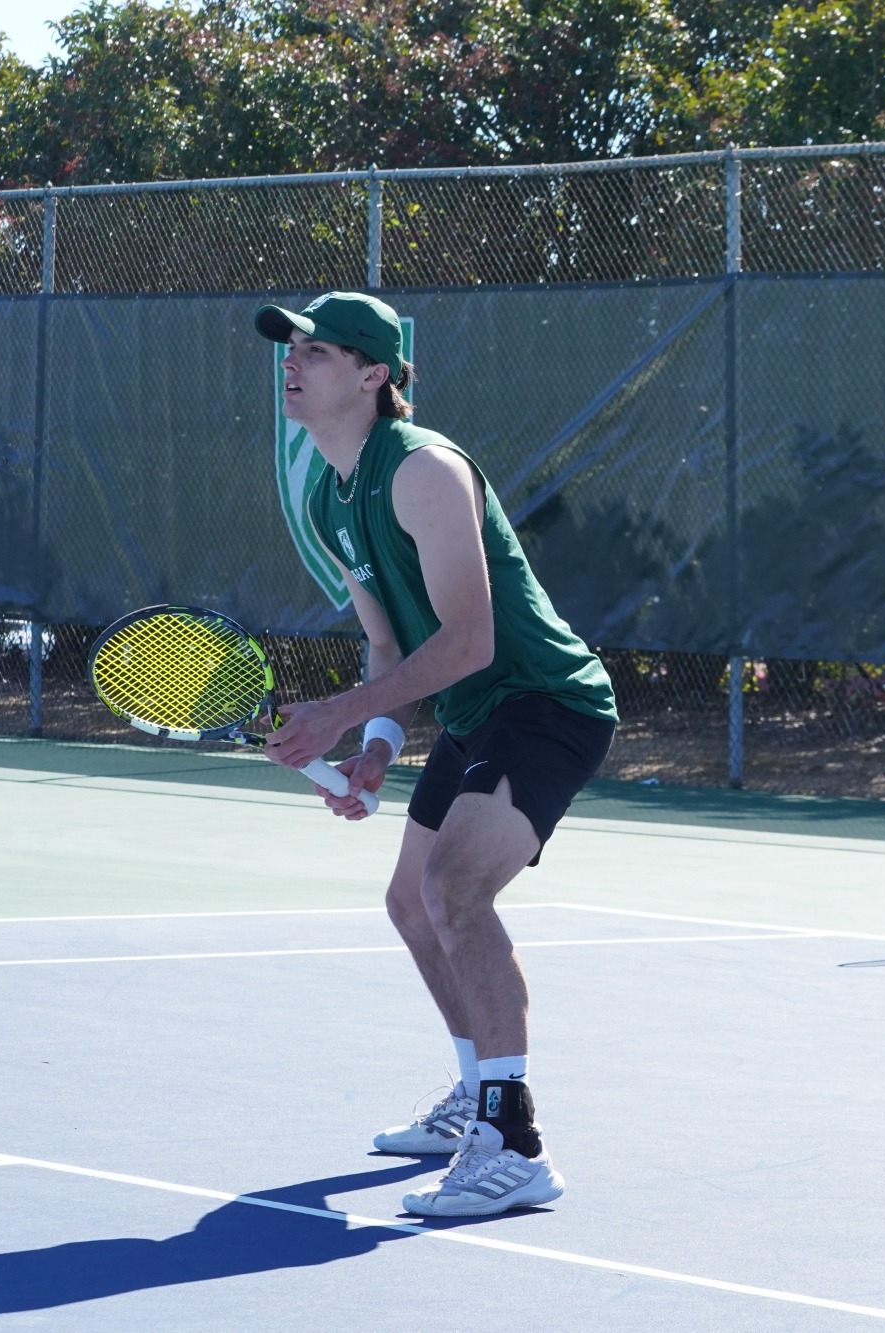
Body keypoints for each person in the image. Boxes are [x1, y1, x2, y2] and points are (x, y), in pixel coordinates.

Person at [254, 291, 619, 1216]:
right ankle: (472, 1094)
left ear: (374, 375)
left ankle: (515, 1139)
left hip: (543, 701)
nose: (293, 362)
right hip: (471, 710)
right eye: (293, 349)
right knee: (410, 903)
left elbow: (471, 640)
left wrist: (338, 710)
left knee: (455, 886)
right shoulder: (330, 494)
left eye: (320, 351)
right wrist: (374, 746)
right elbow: (388, 649)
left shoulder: (422, 468)